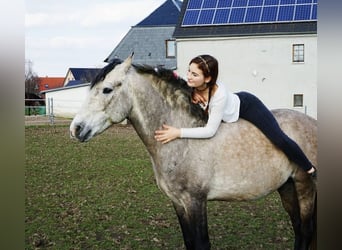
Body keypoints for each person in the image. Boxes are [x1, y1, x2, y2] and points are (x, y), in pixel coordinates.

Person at [154, 54, 316, 178]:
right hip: (229, 105)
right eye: (189, 71)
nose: (189, 76)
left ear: (208, 78)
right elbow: (172, 80)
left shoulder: (219, 96)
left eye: (194, 74)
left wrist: (178, 132)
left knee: (278, 138)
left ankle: (310, 169)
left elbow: (210, 131)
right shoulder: (191, 85)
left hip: (248, 106)